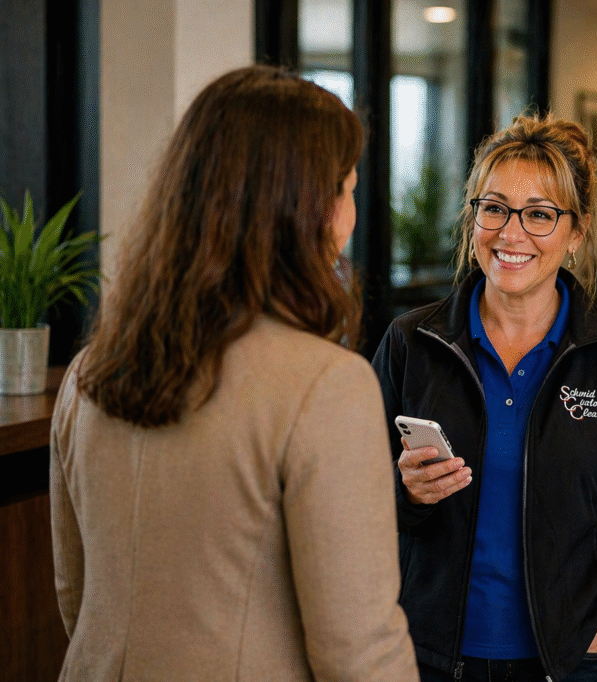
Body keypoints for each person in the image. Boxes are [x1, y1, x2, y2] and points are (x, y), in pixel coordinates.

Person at [49, 65, 418, 681]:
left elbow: (75, 592)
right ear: (311, 211)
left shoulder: (92, 370)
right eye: (349, 190)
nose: (352, 215)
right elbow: (360, 652)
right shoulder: (327, 386)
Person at [371, 113, 597, 682]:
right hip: (430, 657)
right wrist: (405, 491)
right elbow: (352, 493)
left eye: (540, 214)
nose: (511, 234)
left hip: (573, 662)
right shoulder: (412, 344)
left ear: (577, 229)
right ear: (473, 218)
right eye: (494, 208)